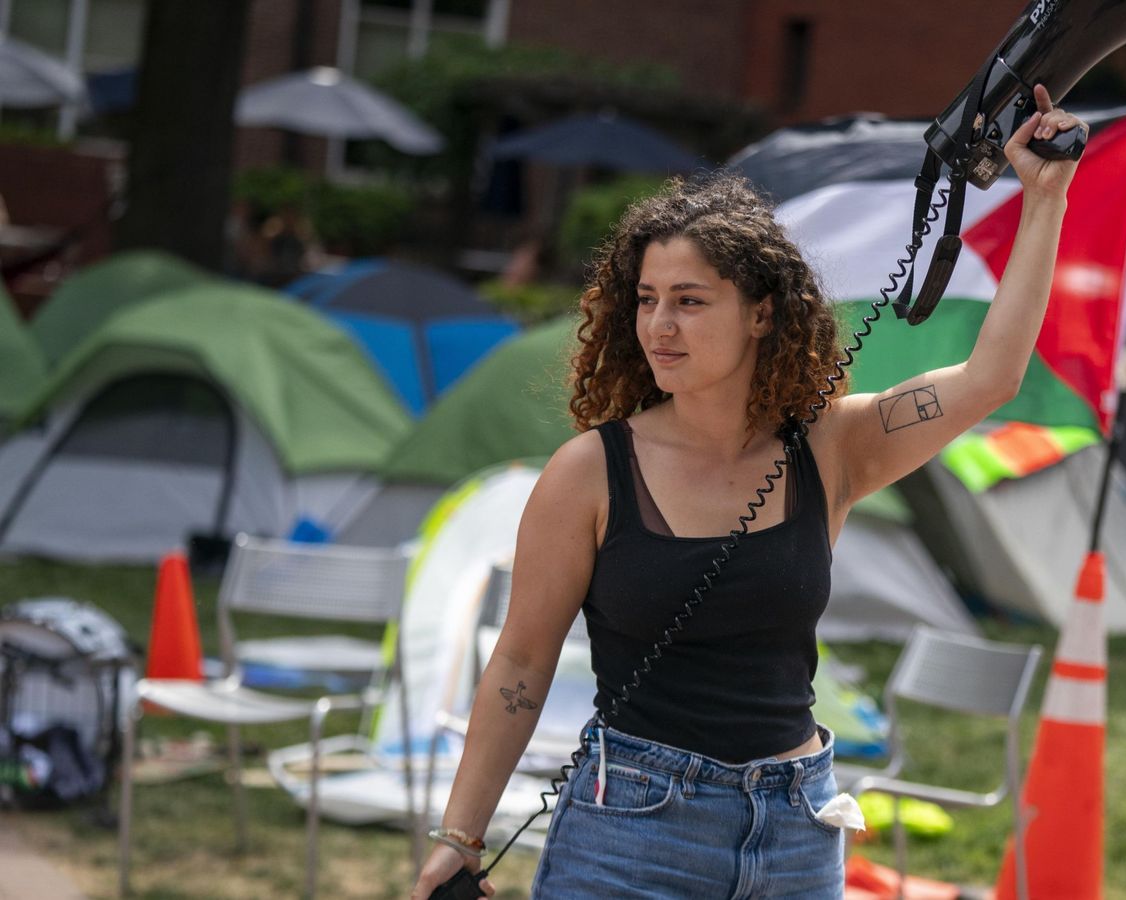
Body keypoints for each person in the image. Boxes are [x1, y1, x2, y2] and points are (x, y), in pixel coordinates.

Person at [409, 84, 1085, 900]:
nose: (660, 326)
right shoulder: (588, 472)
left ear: (762, 315)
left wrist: (1044, 199)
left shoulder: (835, 446)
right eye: (648, 301)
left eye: (691, 303)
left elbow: (989, 379)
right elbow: (520, 660)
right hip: (632, 831)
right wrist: (459, 837)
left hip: (798, 832)